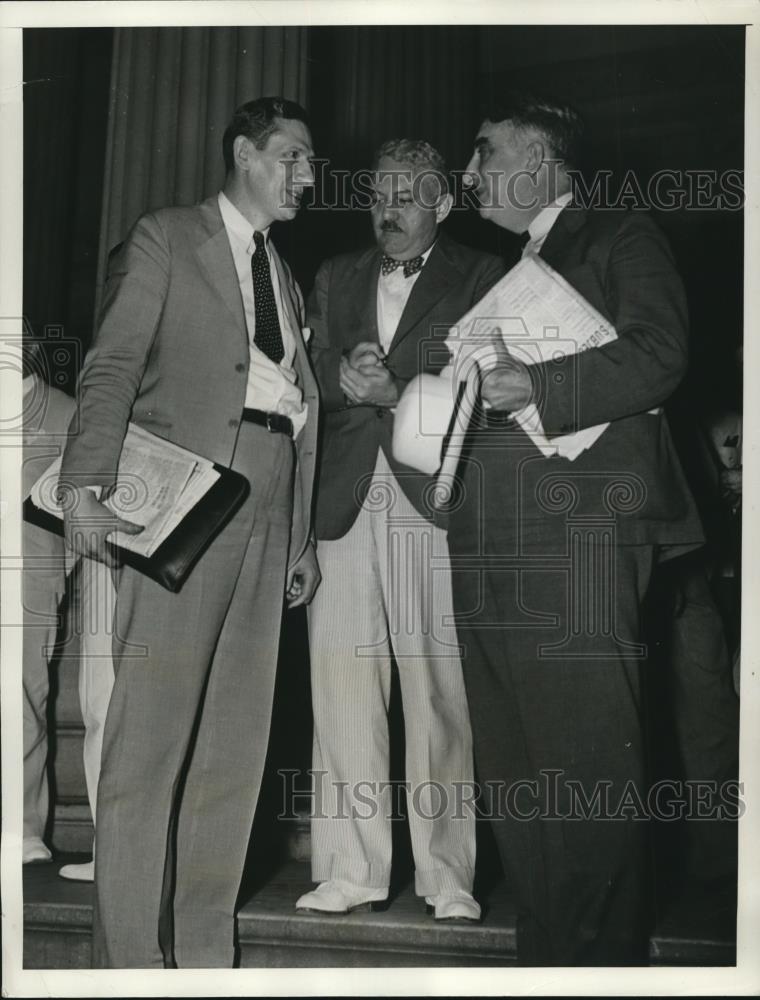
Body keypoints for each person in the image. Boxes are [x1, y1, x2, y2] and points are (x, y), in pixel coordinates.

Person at [60, 96, 320, 968]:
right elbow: (113, 365)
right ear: (244, 154)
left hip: (270, 503)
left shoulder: (282, 274)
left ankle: (203, 957)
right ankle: (129, 964)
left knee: (235, 751)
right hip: (186, 503)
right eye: (291, 156)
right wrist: (87, 487)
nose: (308, 176)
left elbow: (295, 408)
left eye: (310, 162)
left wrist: (299, 541)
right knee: (148, 747)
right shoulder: (169, 236)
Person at [447, 93, 704, 964]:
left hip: (583, 536)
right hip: (494, 539)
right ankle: (549, 958)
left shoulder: (620, 233)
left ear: (544, 161)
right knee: (518, 768)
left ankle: (597, 967)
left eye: (485, 152)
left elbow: (663, 350)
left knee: (588, 767)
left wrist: (543, 390)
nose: (469, 171)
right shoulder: (500, 271)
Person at [295, 139, 505, 920]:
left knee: (436, 686)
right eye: (379, 191)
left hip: (433, 496)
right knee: (342, 684)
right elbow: (301, 372)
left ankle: (447, 876)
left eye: (409, 193)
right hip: (343, 497)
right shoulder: (333, 275)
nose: (389, 206)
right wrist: (336, 377)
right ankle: (349, 870)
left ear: (443, 204)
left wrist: (396, 392)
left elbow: (490, 390)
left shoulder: (483, 275)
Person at [21, 346, 115, 872]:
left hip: (31, 576)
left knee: (22, 696)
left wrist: (63, 573)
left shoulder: (66, 414)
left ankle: (22, 828)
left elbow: (82, 503)